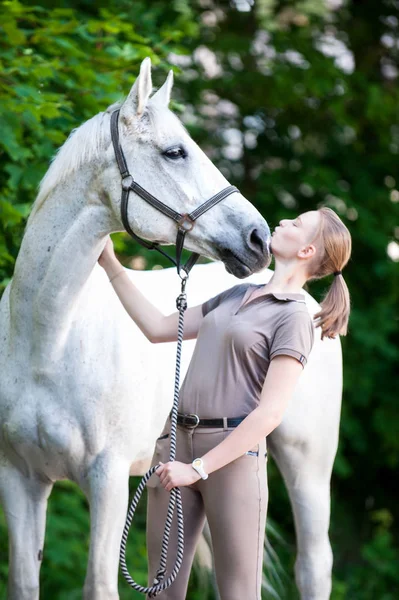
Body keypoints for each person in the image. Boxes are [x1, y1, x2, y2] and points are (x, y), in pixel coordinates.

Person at [98, 206, 351, 600]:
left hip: (232, 460)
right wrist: (112, 265)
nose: (282, 222)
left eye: (296, 224)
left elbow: (269, 413)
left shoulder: (295, 317)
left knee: (237, 593)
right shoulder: (238, 292)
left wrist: (197, 469)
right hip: (176, 443)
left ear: (306, 251)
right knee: (160, 591)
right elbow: (159, 327)